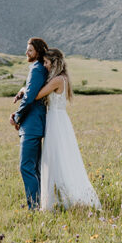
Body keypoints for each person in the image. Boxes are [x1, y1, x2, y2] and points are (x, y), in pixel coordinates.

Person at [34, 49, 101, 211]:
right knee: (60, 157)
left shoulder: (57, 80)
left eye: (46, 63)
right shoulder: (64, 78)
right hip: (59, 120)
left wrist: (24, 90)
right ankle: (59, 197)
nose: (44, 66)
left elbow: (37, 95)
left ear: (54, 63)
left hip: (56, 121)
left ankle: (60, 200)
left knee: (56, 157)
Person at [10, 37, 49, 209]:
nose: (26, 52)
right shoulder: (40, 68)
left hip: (32, 124)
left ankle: (34, 208)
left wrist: (17, 117)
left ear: (38, 53)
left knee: (26, 167)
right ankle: (38, 204)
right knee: (34, 168)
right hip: (35, 123)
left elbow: (31, 97)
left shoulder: (37, 69)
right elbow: (32, 91)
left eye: (30, 50)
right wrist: (23, 90)